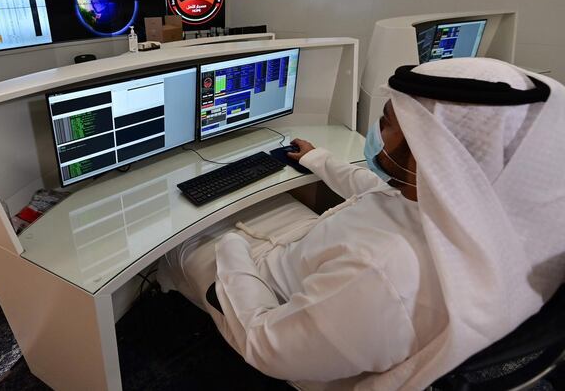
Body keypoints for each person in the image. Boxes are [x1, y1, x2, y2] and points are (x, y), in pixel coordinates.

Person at [158, 58, 564, 390]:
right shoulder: (482, 218)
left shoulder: (384, 273)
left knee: (179, 243)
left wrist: (231, 244)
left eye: (386, 122)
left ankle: (169, 311)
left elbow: (267, 347)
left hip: (280, 307)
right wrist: (318, 159)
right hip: (318, 272)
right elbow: (380, 191)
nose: (376, 132)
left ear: (431, 156)